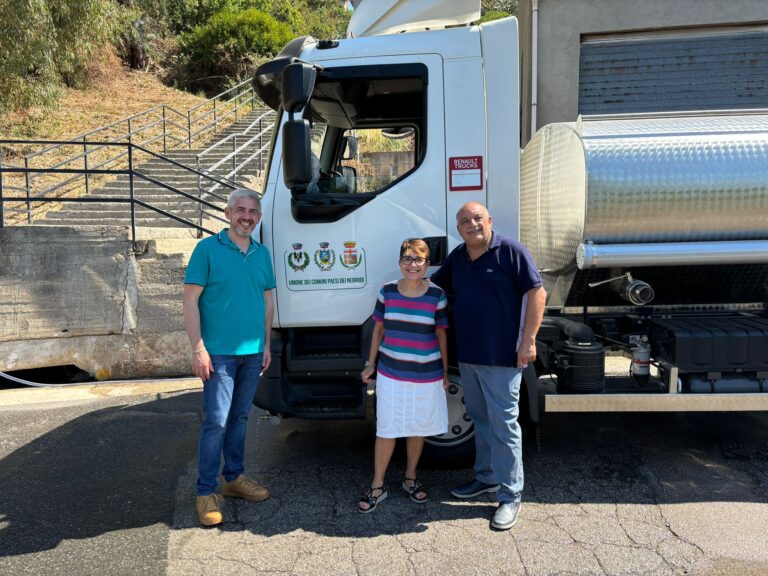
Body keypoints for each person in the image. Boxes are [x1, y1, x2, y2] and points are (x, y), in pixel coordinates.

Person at [432, 202, 546, 531]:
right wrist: (401, 291)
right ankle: (486, 478)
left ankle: (511, 495)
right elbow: (436, 289)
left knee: (504, 425)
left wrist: (529, 340)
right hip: (469, 356)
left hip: (503, 358)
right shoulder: (458, 257)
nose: (472, 224)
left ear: (490, 221)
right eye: (465, 221)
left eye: (477, 218)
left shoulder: (511, 251)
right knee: (480, 420)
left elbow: (537, 294)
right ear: (459, 229)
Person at [182, 188, 276, 527]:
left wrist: (265, 344)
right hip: (218, 354)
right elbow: (190, 300)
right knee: (217, 422)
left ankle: (234, 478)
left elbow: (266, 301)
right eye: (240, 210)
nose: (246, 216)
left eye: (253, 211)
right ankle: (206, 490)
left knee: (239, 419)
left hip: (252, 353)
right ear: (227, 212)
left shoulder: (262, 254)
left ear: (258, 217)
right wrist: (198, 348)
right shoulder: (207, 249)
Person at [358, 238, 450, 513]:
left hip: (427, 373)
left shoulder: (437, 295)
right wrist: (370, 364)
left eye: (418, 259)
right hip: (391, 372)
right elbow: (378, 330)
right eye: (408, 259)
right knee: (387, 428)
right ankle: (377, 485)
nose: (413, 265)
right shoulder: (387, 292)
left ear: (427, 264)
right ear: (400, 263)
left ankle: (410, 478)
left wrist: (445, 371)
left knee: (418, 427)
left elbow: (441, 333)